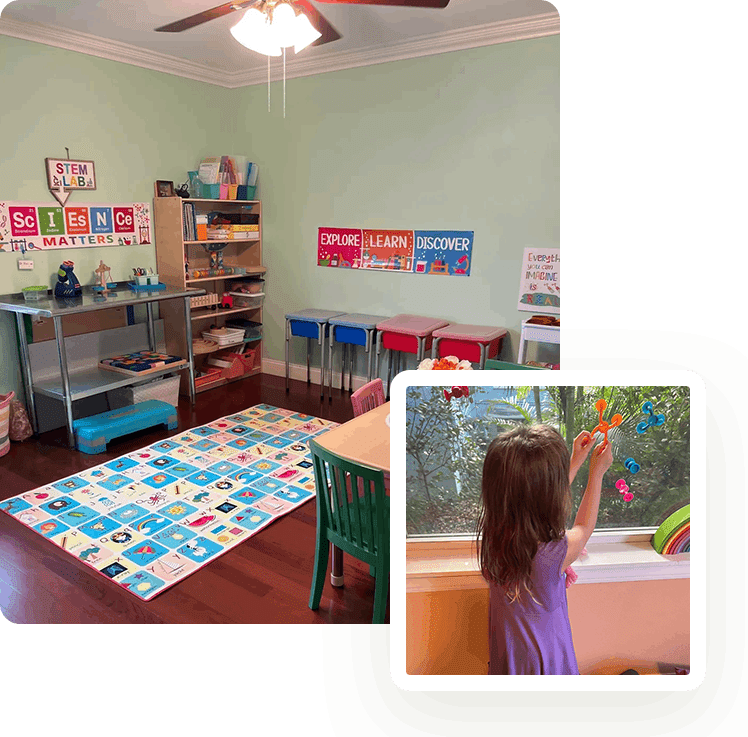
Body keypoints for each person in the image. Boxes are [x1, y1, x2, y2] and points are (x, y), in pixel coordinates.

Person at [477, 424, 613, 674]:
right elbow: (583, 527)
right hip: (544, 655)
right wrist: (597, 473)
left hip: (511, 651)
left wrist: (575, 461)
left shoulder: (495, 533)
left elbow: (534, 497)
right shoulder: (553, 553)